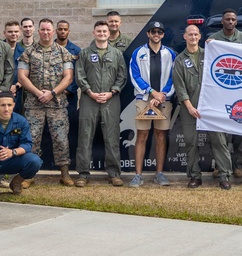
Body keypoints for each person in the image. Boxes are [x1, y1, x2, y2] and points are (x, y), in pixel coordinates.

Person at [173, 24, 232, 189]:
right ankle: (194, 176)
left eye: (196, 34)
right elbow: (180, 87)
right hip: (189, 108)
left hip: (211, 107)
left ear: (200, 37)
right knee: (191, 142)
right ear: (184, 37)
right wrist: (190, 107)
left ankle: (224, 176)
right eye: (190, 34)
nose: (193, 37)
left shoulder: (210, 54)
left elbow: (225, 69)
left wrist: (216, 45)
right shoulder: (179, 60)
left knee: (219, 141)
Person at [18, 18, 74, 186]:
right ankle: (29, 175)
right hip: (34, 105)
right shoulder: (28, 53)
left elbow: (69, 77)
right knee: (32, 139)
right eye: (43, 29)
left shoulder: (64, 53)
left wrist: (52, 93)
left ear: (54, 31)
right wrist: (37, 93)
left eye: (49, 30)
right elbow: (22, 76)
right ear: (38, 31)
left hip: (57, 104)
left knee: (61, 139)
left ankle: (65, 174)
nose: (46, 32)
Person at [74, 21, 127, 187]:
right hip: (89, 99)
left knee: (111, 138)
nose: (102, 33)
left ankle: (114, 173)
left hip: (110, 101)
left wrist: (112, 92)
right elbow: (79, 75)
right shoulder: (85, 53)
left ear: (108, 33)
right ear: (93, 33)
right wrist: (90, 92)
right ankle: (83, 174)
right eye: (99, 31)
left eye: (105, 31)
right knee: (85, 137)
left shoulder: (117, 54)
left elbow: (122, 76)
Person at [128, 21, 176, 186]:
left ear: (163, 35)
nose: (156, 34)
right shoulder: (138, 52)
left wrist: (161, 95)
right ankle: (138, 175)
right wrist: (151, 92)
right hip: (144, 99)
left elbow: (173, 77)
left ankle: (159, 173)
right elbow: (135, 76)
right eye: (153, 31)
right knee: (141, 135)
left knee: (161, 135)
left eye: (159, 32)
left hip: (164, 99)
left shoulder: (170, 53)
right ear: (148, 33)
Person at [209, 9, 242, 177]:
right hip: (220, 92)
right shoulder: (214, 39)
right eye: (227, 19)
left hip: (241, 91)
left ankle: (238, 166)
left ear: (236, 22)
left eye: (233, 19)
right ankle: (219, 165)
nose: (230, 21)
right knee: (220, 131)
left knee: (240, 130)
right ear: (222, 21)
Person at [55, 19, 82, 175]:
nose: (62, 31)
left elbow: (78, 75)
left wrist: (65, 90)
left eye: (65, 29)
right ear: (56, 31)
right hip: (50, 98)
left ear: (69, 31)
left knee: (68, 130)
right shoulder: (48, 48)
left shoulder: (76, 50)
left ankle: (69, 165)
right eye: (60, 29)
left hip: (68, 98)